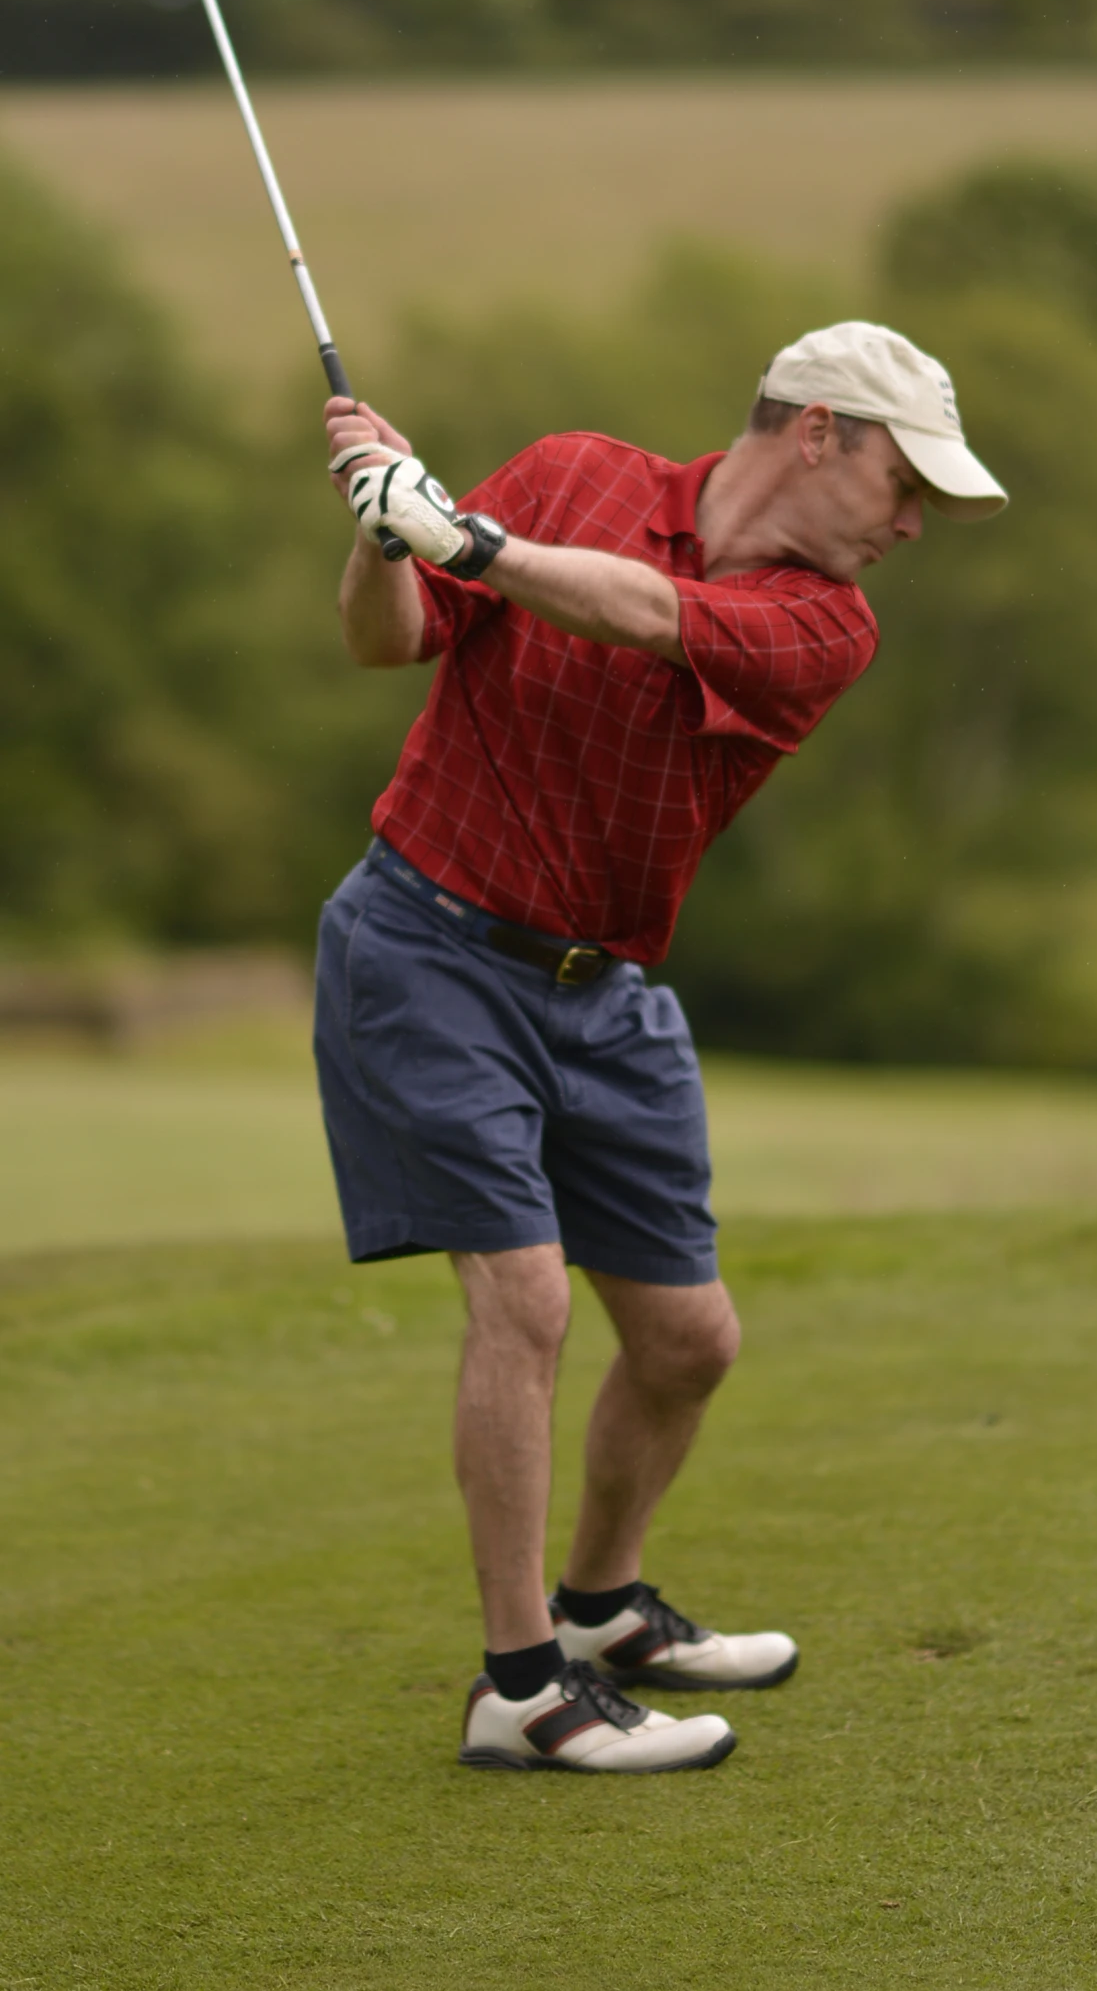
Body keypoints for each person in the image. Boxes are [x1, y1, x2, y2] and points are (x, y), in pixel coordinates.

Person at [314, 321, 1006, 1775]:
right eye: (904, 479)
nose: (913, 520)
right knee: (524, 1301)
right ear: (816, 428)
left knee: (689, 1342)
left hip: (607, 993)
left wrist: (468, 534)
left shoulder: (828, 627)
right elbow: (389, 639)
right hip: (428, 944)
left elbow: (642, 614)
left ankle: (599, 1609)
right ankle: (519, 1686)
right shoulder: (572, 475)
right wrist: (386, 534)